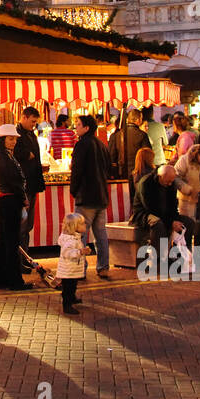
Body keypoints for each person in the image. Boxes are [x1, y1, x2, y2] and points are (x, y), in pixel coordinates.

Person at [70, 115, 112, 280]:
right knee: (100, 234)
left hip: (86, 196)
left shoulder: (82, 144)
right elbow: (109, 168)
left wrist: (74, 190)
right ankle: (103, 267)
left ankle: (81, 268)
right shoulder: (101, 144)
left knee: (80, 234)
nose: (76, 128)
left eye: (78, 125)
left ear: (87, 128)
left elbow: (77, 170)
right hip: (101, 196)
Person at [131, 150, 195, 255]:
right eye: (168, 181)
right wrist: (171, 222)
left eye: (171, 181)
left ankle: (182, 254)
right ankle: (159, 257)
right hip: (145, 214)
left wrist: (175, 219)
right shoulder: (146, 183)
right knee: (158, 224)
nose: (170, 184)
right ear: (160, 177)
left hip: (166, 214)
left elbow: (173, 205)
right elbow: (150, 208)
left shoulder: (171, 183)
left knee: (188, 222)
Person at [0, 125, 29, 292]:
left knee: (4, 241)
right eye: (10, 138)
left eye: (14, 139)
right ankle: (14, 280)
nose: (13, 142)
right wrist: (24, 199)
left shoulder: (3, 156)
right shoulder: (4, 158)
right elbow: (14, 183)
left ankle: (0, 277)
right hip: (9, 202)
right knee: (11, 242)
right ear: (2, 140)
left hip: (5, 201)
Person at [14, 107, 46, 254]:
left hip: (32, 184)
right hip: (24, 186)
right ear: (24, 117)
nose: (34, 124)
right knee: (22, 224)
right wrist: (27, 155)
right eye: (32, 121)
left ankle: (24, 257)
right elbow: (16, 155)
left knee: (27, 225)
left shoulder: (30, 134)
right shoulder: (16, 135)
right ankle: (20, 258)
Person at [56, 212, 88, 315]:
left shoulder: (75, 238)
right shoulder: (71, 241)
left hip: (72, 269)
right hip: (68, 270)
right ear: (75, 227)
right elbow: (67, 253)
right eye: (82, 224)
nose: (85, 225)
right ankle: (67, 305)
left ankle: (72, 298)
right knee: (69, 288)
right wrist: (80, 252)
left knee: (73, 285)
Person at [174, 144, 200, 237]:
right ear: (197, 154)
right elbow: (175, 176)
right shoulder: (185, 160)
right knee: (187, 228)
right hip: (187, 200)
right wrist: (186, 189)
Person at [111, 108, 150, 180]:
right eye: (141, 118)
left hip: (121, 172)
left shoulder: (117, 135)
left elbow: (113, 155)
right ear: (138, 120)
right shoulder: (142, 135)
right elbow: (147, 154)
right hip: (138, 172)